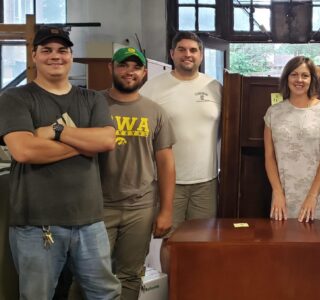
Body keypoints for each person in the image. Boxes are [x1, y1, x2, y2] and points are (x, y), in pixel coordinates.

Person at [0, 26, 121, 299]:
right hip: (36, 224)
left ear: (71, 55)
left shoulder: (92, 99)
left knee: (106, 293)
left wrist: (56, 132)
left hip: (90, 221)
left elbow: (107, 141)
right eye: (47, 50)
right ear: (34, 56)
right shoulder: (14, 98)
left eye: (62, 50)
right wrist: (84, 145)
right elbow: (24, 151)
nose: (55, 56)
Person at [140, 31, 222, 272]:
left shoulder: (214, 87)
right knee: (171, 241)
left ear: (201, 55)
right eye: (182, 49)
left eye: (193, 50)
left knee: (202, 241)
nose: (188, 54)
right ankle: (172, 290)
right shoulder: (153, 88)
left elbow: (221, 131)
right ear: (172, 53)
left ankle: (196, 290)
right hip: (167, 182)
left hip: (206, 182)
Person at [100, 47, 175, 299]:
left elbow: (165, 163)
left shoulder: (156, 112)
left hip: (140, 207)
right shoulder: (93, 104)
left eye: (135, 67)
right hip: (98, 206)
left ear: (144, 73)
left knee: (131, 275)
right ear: (111, 68)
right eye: (123, 65)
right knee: (90, 272)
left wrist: (165, 211)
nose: (129, 72)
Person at [263, 56, 320, 223]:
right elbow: (269, 157)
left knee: (317, 245)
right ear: (286, 78)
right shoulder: (273, 112)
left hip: (317, 195)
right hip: (283, 196)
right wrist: (278, 193)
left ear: (312, 79)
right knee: (284, 245)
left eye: (305, 75)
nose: (299, 80)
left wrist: (312, 196)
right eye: (294, 74)